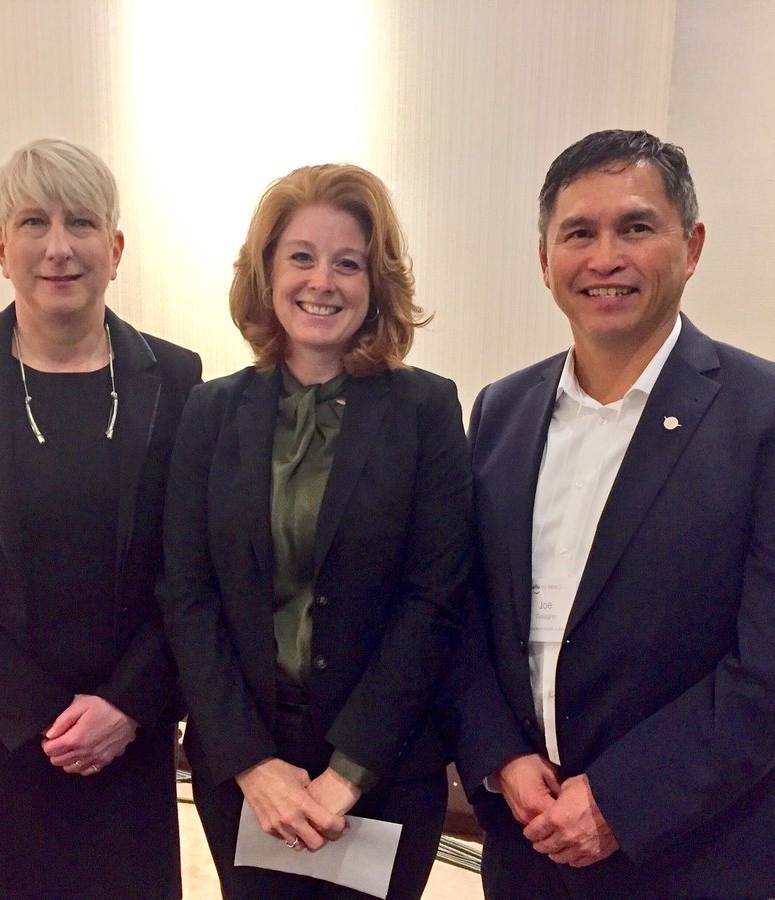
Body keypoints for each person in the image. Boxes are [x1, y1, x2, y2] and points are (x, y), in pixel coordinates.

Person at [453, 130, 775, 898]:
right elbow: (469, 612)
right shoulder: (501, 412)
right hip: (529, 849)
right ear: (545, 259)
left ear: (691, 245)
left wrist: (618, 801)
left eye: (635, 228)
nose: (605, 257)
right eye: (579, 232)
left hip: (704, 855)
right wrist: (501, 756)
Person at [0, 138, 200, 899]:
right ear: (1, 247)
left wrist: (127, 707)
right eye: (33, 222)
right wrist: (40, 719)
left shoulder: (178, 381)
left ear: (116, 248)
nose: (58, 247)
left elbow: (192, 574)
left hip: (124, 745)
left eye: (82, 223)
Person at [158, 163, 472, 899]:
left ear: (376, 282)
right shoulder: (208, 412)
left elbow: (436, 599)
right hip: (246, 761)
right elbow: (186, 593)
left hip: (384, 764)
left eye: (348, 263)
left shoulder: (427, 411)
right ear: (267, 271)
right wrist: (250, 763)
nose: (321, 281)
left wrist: (347, 772)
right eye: (300, 256)